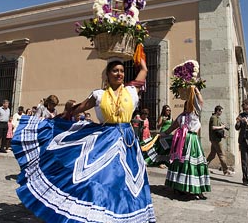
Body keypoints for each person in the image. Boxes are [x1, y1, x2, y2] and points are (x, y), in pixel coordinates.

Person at [11, 59, 155, 222]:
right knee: (99, 180)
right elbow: (80, 108)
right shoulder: (99, 95)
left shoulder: (131, 91)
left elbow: (143, 71)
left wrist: (140, 54)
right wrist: (65, 116)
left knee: (125, 183)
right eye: (115, 70)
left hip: (128, 143)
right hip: (106, 139)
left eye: (121, 71)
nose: (119, 73)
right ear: (107, 74)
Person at [160, 86, 211, 200]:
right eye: (187, 104)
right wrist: (162, 134)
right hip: (181, 143)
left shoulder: (195, 114)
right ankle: (179, 187)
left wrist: (196, 91)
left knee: (194, 164)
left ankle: (197, 189)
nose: (189, 105)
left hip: (192, 141)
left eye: (191, 104)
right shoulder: (181, 117)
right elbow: (171, 128)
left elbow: (201, 101)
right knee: (180, 164)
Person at [207, 105, 234, 176]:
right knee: (221, 154)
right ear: (217, 111)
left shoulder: (217, 118)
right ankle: (226, 170)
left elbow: (217, 130)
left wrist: (223, 135)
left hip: (215, 139)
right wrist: (222, 127)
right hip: (215, 140)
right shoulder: (214, 117)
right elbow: (213, 127)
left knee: (212, 155)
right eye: (221, 111)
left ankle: (203, 167)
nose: (221, 112)